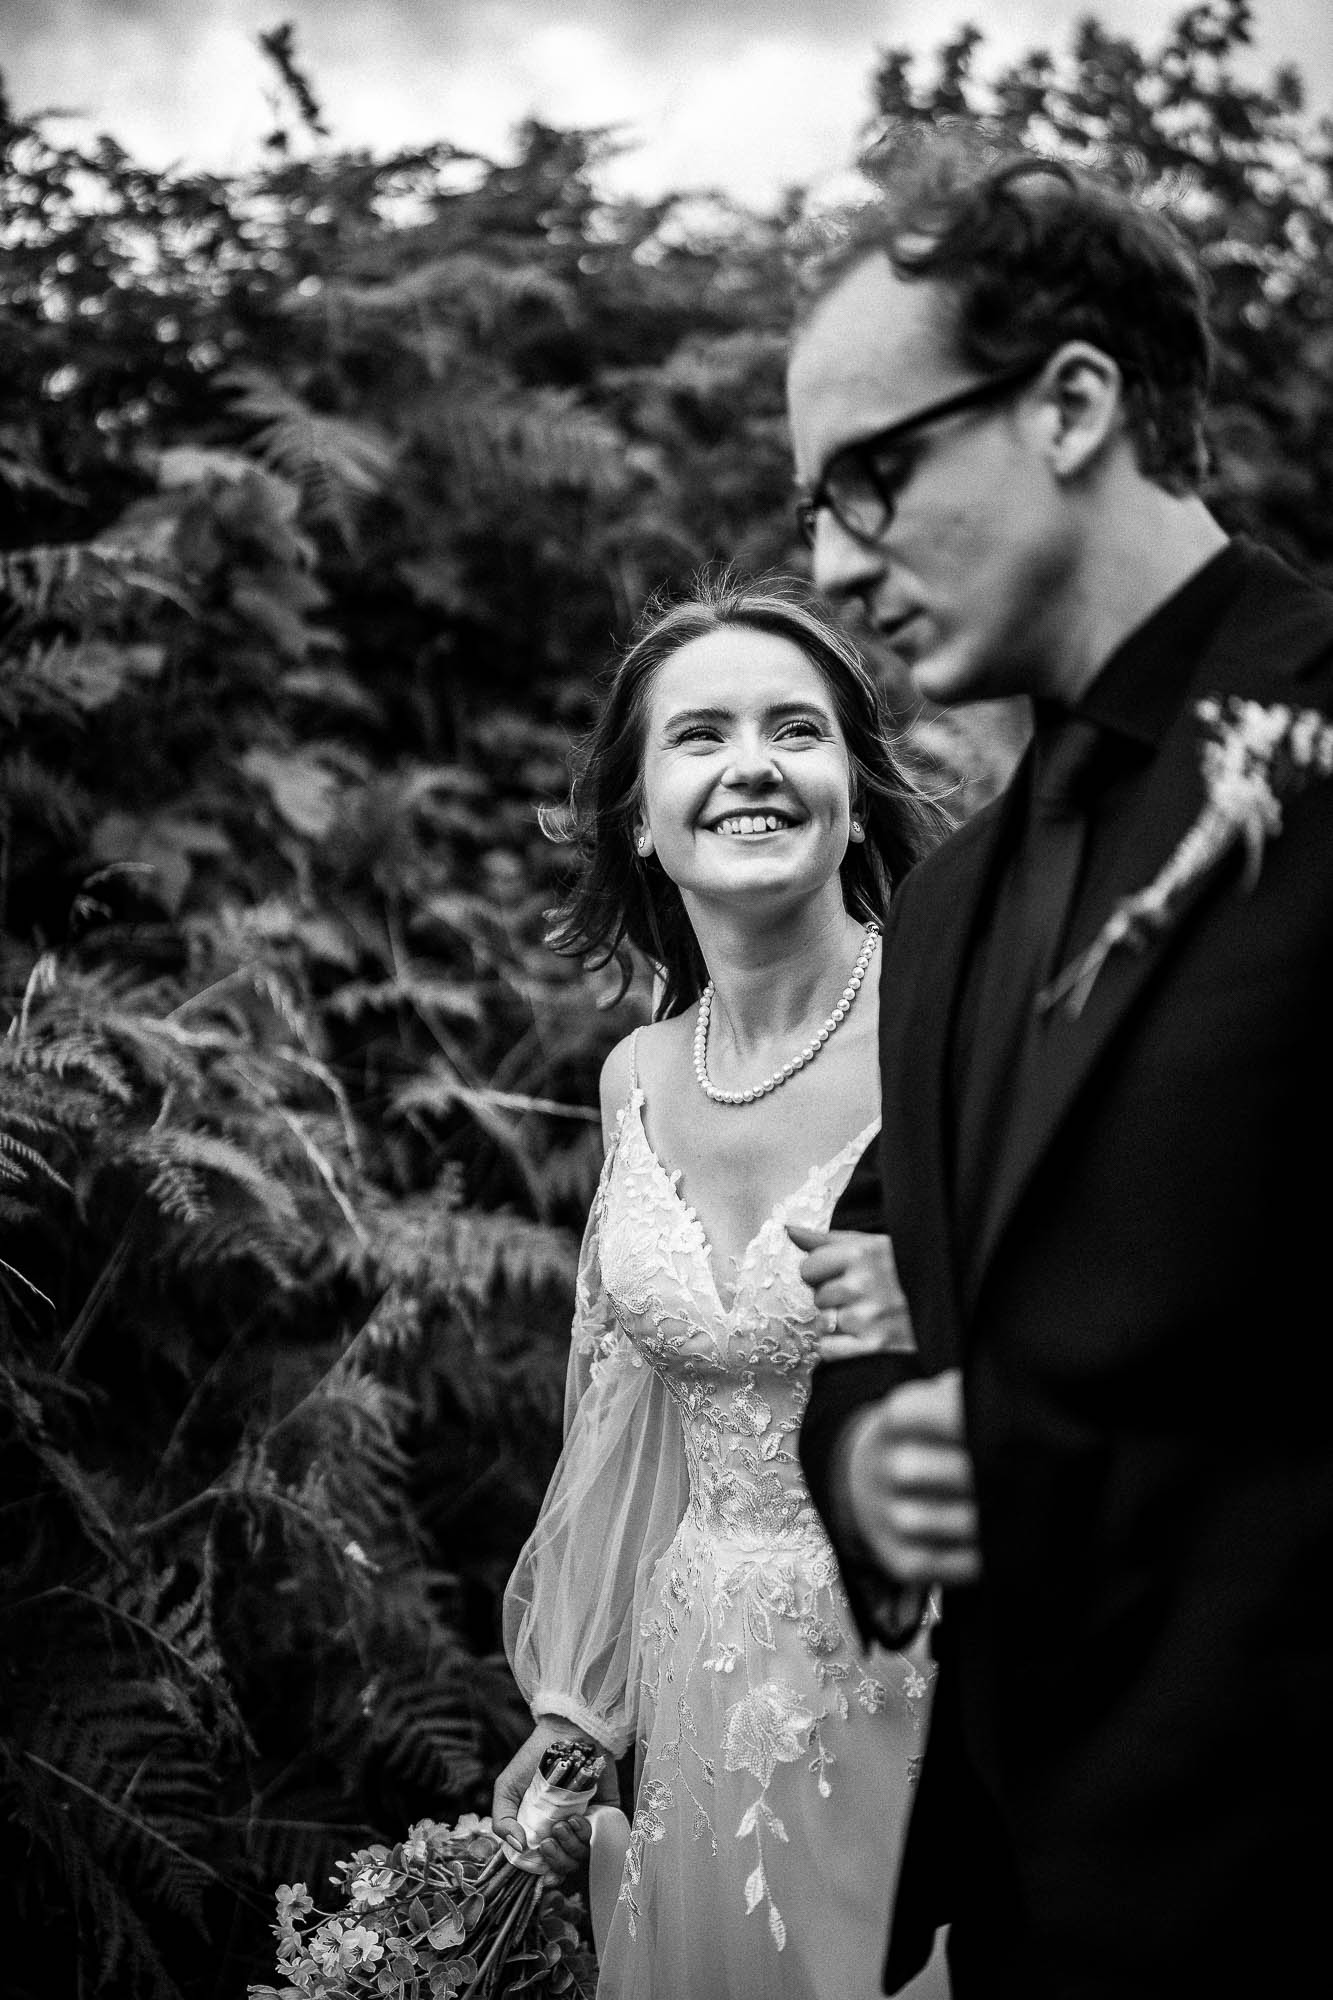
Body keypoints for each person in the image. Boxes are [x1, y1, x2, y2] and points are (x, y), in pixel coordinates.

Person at [788, 133, 1333, 1998]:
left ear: (1073, 403)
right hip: (1033, 1914)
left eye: (868, 478)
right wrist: (872, 1461)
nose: (830, 561)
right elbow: (896, 1288)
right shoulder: (935, 916)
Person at [493, 573, 953, 1999]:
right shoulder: (637, 1077)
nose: (750, 763)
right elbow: (622, 1416)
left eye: (794, 729)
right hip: (698, 1681)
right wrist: (578, 1702)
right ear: (639, 812)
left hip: (927, 1676)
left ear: (855, 793)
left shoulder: (952, 1029)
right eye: (699, 735)